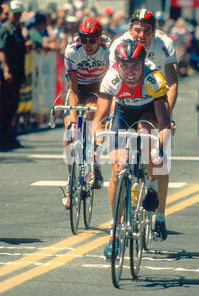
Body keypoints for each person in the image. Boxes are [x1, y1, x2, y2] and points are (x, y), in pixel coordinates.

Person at [92, 39, 171, 259]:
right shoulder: (111, 78)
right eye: (124, 65)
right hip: (123, 112)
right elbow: (100, 116)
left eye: (135, 65)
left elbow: (164, 121)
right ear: (117, 64)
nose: (130, 71)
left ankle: (152, 185)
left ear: (143, 63)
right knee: (117, 170)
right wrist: (95, 144)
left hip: (148, 111)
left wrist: (160, 150)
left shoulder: (152, 78)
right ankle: (114, 232)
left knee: (146, 134)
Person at [61, 16, 110, 209]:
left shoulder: (107, 50)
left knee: (92, 113)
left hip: (98, 86)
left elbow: (107, 85)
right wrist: (73, 124)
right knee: (68, 135)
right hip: (78, 87)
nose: (88, 44)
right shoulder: (72, 50)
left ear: (100, 39)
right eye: (84, 40)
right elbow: (73, 89)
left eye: (92, 40)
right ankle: (70, 181)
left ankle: (94, 163)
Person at [109, 9, 178, 136]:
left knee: (147, 133)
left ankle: (150, 154)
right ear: (130, 29)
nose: (141, 35)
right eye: (137, 30)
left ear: (154, 32)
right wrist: (111, 115)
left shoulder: (164, 44)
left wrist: (168, 118)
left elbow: (172, 84)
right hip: (126, 100)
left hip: (154, 98)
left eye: (147, 31)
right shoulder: (118, 46)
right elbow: (112, 84)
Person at [0, 0, 26, 149]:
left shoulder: (17, 28)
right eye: (15, 14)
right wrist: (6, 69)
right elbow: (1, 50)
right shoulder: (6, 29)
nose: (17, 16)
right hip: (9, 73)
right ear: (10, 14)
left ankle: (9, 135)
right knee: (6, 105)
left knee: (13, 105)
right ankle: (3, 137)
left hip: (17, 72)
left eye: (19, 14)